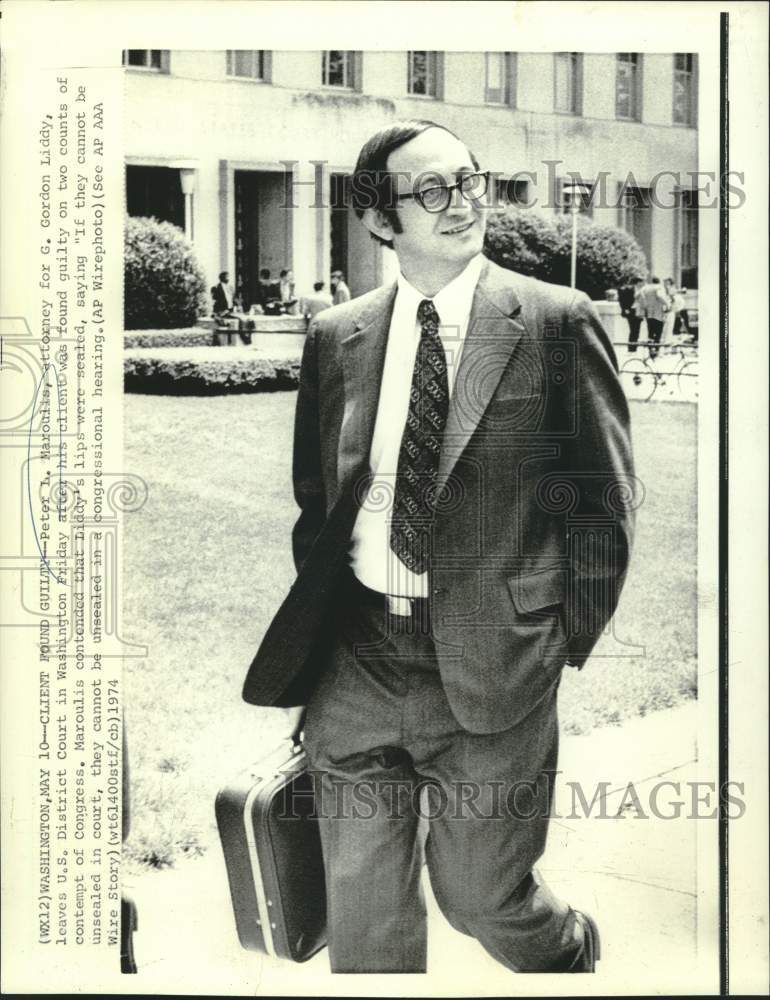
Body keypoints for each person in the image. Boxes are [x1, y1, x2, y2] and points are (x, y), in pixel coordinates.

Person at [243, 119, 635, 974]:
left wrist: (555, 639)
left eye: (469, 180)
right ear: (379, 219)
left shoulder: (554, 323)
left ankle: (570, 954)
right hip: (360, 661)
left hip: (497, 663)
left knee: (480, 896)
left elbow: (603, 508)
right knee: (366, 920)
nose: (462, 203)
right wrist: (323, 644)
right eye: (431, 190)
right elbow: (319, 504)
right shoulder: (337, 334)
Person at [637, 276, 670, 359]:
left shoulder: (645, 288)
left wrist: (645, 306)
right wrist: (667, 304)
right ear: (659, 282)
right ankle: (656, 352)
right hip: (658, 313)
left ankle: (650, 351)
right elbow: (660, 296)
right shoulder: (659, 287)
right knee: (658, 333)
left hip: (649, 314)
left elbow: (639, 297)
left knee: (650, 333)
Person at [619, 277, 644, 353]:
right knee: (633, 330)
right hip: (631, 312)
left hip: (638, 312)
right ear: (638, 282)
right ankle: (631, 348)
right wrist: (625, 309)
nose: (643, 283)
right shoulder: (628, 290)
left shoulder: (640, 290)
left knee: (636, 331)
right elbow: (622, 300)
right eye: (641, 282)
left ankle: (634, 348)